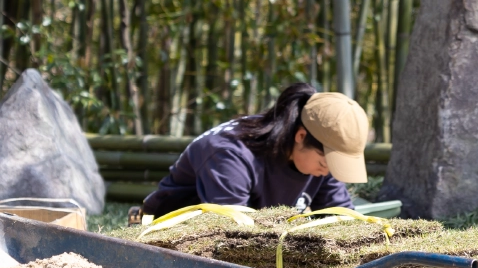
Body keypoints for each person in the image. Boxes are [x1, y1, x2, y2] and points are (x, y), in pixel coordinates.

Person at [139, 83, 371, 219]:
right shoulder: (230, 154)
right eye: (325, 164)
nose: (328, 172)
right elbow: (235, 240)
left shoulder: (321, 153)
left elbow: (341, 222)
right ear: (301, 136)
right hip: (176, 242)